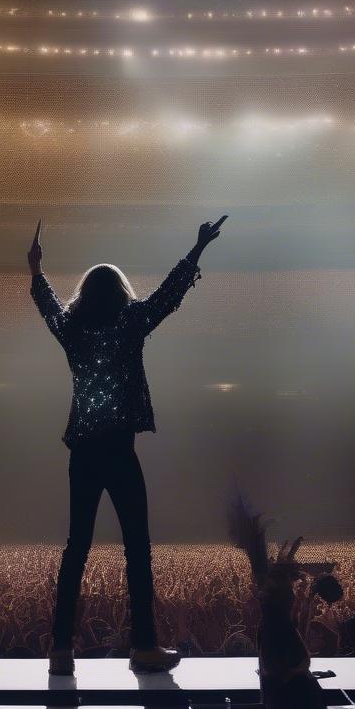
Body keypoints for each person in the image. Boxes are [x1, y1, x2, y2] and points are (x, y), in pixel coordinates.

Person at [28, 216, 227, 674]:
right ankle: (143, 646)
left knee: (76, 547)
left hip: (83, 452)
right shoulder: (131, 324)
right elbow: (167, 297)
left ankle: (60, 650)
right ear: (120, 293)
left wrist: (36, 269)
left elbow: (48, 306)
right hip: (119, 450)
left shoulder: (72, 330)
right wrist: (197, 249)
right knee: (136, 547)